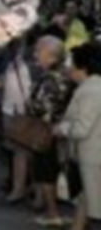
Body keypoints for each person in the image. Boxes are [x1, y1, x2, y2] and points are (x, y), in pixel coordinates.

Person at [54, 42, 101, 230]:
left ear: (83, 66)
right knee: (86, 199)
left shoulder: (91, 91)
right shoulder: (92, 87)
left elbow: (82, 128)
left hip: (93, 157)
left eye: (71, 63)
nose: (68, 67)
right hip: (92, 156)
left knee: (96, 210)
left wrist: (60, 129)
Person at [27, 35, 71, 227]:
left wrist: (30, 100)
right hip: (61, 132)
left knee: (46, 174)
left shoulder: (50, 78)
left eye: (39, 50)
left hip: (48, 133)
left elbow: (40, 108)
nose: (35, 54)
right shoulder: (65, 74)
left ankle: (52, 215)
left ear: (52, 56)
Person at [1, 39, 33, 203]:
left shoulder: (24, 66)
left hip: (19, 114)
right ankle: (19, 186)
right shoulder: (12, 64)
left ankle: (19, 188)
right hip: (11, 111)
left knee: (20, 153)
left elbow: (27, 92)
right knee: (17, 153)